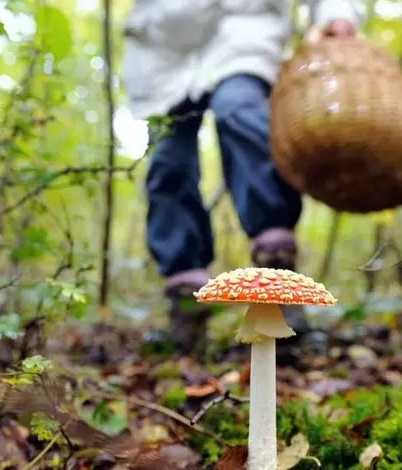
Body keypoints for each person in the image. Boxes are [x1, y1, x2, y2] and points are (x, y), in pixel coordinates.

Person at [122, 0, 365, 355]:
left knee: (238, 111)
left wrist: (336, 15)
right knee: (168, 163)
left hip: (244, 37)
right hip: (165, 56)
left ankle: (279, 283)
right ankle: (185, 310)